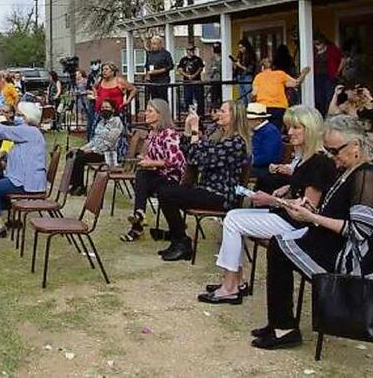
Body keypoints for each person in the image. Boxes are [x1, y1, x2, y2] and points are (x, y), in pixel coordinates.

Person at [253, 116, 373, 350]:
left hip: (358, 259)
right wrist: (309, 210)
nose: (332, 155)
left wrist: (313, 218)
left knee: (280, 248)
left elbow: (358, 230)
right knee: (280, 245)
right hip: (339, 244)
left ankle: (284, 327)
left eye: (335, 150)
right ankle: (280, 323)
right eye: (328, 150)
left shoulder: (367, 176)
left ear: (356, 146)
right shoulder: (351, 170)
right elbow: (336, 212)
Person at [198, 106, 337, 304]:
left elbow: (307, 210)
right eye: (289, 127)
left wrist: (273, 200)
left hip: (299, 226)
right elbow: (305, 186)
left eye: (296, 128)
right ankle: (235, 281)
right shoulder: (307, 157)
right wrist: (287, 187)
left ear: (311, 129)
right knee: (234, 216)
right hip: (288, 216)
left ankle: (231, 285)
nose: (289, 133)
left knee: (233, 220)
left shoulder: (319, 161)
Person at [156, 101, 251, 262]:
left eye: (223, 111)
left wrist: (195, 130)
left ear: (235, 116)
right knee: (164, 189)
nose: (218, 114)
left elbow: (201, 159)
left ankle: (181, 241)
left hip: (220, 194)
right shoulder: (218, 136)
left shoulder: (236, 142)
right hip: (206, 189)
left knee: (167, 193)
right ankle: (179, 238)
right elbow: (189, 154)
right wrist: (188, 129)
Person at [120, 98, 185, 242]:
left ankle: (137, 224)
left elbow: (175, 161)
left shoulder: (169, 134)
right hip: (155, 176)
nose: (145, 114)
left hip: (170, 178)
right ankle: (139, 215)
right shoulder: (152, 134)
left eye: (150, 111)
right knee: (141, 175)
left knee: (142, 177)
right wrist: (144, 159)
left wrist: (152, 163)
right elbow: (152, 158)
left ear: (160, 114)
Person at [0, 102, 48, 239]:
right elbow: (23, 153)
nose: (17, 118)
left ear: (28, 118)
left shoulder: (28, 131)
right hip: (28, 178)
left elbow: (3, 131)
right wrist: (6, 155)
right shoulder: (33, 132)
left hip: (27, 182)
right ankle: (7, 218)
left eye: (20, 115)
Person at [67, 99, 124, 195]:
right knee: (72, 154)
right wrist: (82, 148)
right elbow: (94, 140)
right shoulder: (101, 121)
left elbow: (109, 143)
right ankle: (74, 184)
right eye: (102, 108)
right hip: (95, 150)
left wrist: (92, 150)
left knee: (79, 158)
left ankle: (80, 187)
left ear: (113, 109)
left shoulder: (116, 122)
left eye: (107, 107)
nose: (104, 109)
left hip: (106, 153)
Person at [251, 54, 310, 128]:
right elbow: (296, 83)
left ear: (262, 67)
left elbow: (254, 94)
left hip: (263, 108)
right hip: (279, 107)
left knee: (265, 130)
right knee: (276, 129)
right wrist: (304, 73)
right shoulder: (280, 74)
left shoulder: (258, 77)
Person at [247, 102, 285, 191]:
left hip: (266, 169)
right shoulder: (257, 131)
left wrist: (249, 160)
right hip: (258, 166)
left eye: (250, 119)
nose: (247, 122)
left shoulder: (270, 131)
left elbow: (268, 157)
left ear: (259, 120)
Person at [312, 35, 342, 115]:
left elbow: (343, 59)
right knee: (319, 97)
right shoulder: (314, 51)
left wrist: (338, 71)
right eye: (315, 44)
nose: (317, 46)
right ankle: (322, 114)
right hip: (317, 77)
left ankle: (330, 114)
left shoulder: (332, 49)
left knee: (329, 96)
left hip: (329, 76)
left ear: (323, 43)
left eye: (318, 44)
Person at [145, 35, 174, 103]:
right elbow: (147, 66)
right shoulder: (149, 54)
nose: (152, 46)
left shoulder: (166, 54)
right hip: (152, 80)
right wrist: (147, 75)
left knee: (162, 99)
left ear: (160, 44)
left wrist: (158, 71)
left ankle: (164, 112)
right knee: (154, 99)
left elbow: (171, 66)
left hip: (162, 80)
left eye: (154, 44)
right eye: (152, 43)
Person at [178, 46, 205, 116]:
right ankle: (189, 113)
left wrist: (194, 76)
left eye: (192, 50)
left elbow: (200, 68)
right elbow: (180, 70)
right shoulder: (183, 60)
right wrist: (188, 76)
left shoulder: (198, 59)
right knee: (187, 98)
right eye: (189, 50)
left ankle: (200, 114)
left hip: (197, 82)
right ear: (187, 51)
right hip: (187, 83)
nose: (191, 51)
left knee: (199, 99)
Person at [232, 38, 257, 103]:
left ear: (246, 47)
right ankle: (243, 110)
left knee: (248, 94)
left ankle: (249, 109)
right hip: (240, 76)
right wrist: (235, 65)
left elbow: (250, 69)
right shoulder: (240, 55)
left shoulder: (251, 55)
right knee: (242, 95)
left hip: (247, 76)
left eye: (242, 47)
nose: (240, 49)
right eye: (239, 48)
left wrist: (240, 66)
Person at [206, 44, 222, 109]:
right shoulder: (212, 60)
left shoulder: (223, 59)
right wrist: (212, 71)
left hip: (222, 81)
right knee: (214, 98)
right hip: (214, 81)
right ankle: (213, 111)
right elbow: (209, 72)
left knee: (221, 97)